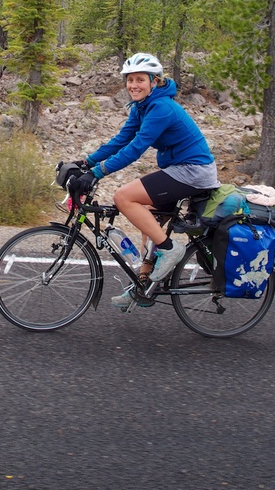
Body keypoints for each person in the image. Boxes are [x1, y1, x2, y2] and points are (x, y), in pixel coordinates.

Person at [66, 52, 220, 309]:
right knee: (149, 215)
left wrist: (98, 172)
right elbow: (121, 140)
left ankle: (170, 250)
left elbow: (136, 148)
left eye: (140, 80)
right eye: (130, 80)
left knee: (124, 197)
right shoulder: (143, 106)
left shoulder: (161, 108)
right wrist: (86, 162)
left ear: (154, 81)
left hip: (193, 171)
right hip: (180, 169)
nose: (133, 85)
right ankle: (145, 283)